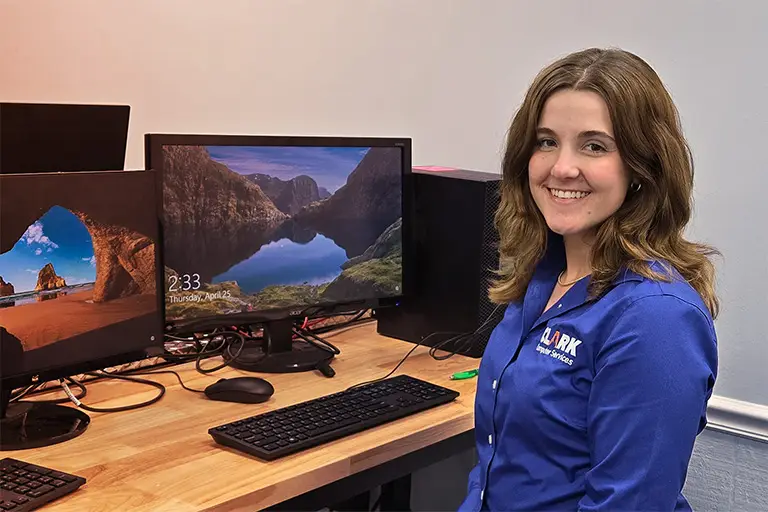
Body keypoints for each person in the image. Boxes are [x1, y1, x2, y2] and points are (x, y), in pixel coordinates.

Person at [458, 47, 719, 512]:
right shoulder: (540, 278)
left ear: (643, 168)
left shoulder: (656, 317)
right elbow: (495, 462)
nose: (561, 168)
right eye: (545, 141)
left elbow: (628, 503)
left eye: (594, 145)